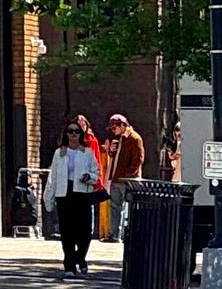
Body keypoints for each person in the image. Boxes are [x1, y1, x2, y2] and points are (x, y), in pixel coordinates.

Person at [45, 120, 102, 274]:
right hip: (64, 193)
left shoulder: (87, 152)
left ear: (81, 134)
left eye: (77, 131)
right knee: (67, 231)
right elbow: (53, 176)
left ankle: (80, 257)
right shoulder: (60, 153)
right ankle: (69, 264)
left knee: (85, 232)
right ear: (66, 134)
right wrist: (48, 198)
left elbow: (96, 175)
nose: (74, 134)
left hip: (82, 193)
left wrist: (88, 176)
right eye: (70, 131)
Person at [105, 114, 146, 241]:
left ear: (122, 125)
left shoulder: (134, 138)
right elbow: (116, 158)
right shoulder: (120, 139)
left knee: (127, 207)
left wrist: (128, 175)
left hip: (127, 180)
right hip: (116, 178)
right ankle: (114, 234)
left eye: (114, 128)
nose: (113, 131)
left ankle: (125, 235)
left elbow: (138, 159)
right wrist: (111, 151)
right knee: (115, 206)